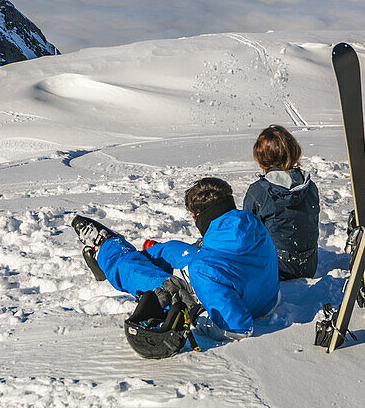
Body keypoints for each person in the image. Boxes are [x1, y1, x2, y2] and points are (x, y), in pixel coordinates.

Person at [71, 177, 280, 340]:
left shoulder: (203, 269)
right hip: (254, 292)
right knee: (168, 249)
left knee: (130, 269)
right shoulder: (252, 224)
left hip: (201, 289)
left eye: (193, 216)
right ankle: (123, 255)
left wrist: (199, 321)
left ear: (202, 215)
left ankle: (105, 247)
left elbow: (238, 328)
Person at [243, 125, 320, 280]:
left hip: (277, 270)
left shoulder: (258, 191)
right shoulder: (309, 186)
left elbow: (247, 235)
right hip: (309, 265)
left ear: (261, 156)